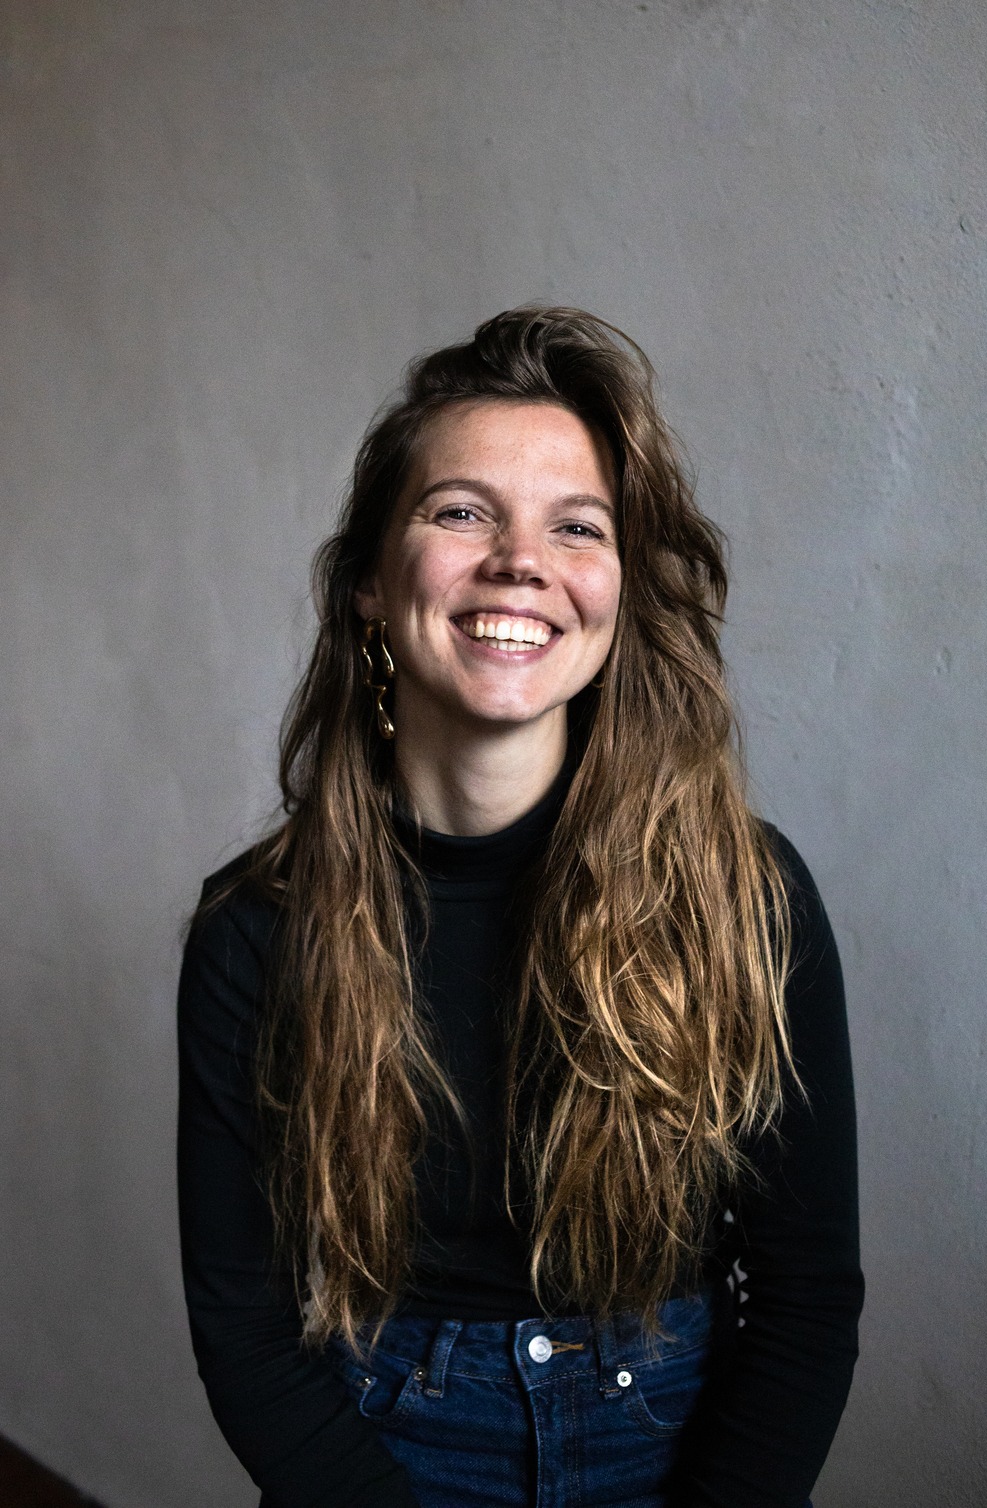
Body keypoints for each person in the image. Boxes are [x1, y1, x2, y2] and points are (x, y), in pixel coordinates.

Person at [177, 307, 863, 1508]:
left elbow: (804, 1293)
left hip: (682, 1441)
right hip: (385, 1450)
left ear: (618, 590)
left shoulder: (747, 898)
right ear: (367, 587)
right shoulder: (256, 930)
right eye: (460, 511)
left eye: (576, 525)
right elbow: (246, 1328)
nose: (519, 559)